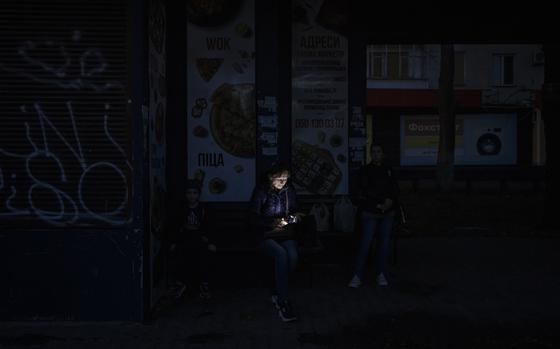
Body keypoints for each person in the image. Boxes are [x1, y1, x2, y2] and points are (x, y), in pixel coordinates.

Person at [250, 163, 301, 322]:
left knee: (292, 256)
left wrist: (291, 219)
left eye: (285, 179)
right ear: (271, 178)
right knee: (281, 254)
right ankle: (283, 300)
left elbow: (295, 212)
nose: (282, 182)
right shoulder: (261, 192)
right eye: (279, 179)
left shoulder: (289, 191)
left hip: (284, 233)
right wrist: (270, 223)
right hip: (265, 234)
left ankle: (276, 288)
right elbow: (253, 217)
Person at [348, 143, 399, 288]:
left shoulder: (388, 170)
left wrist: (389, 201)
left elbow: (394, 188)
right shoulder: (365, 170)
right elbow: (363, 190)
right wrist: (379, 203)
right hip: (371, 211)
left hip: (386, 212)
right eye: (374, 151)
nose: (376, 154)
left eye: (378, 151)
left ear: (383, 154)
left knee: (383, 245)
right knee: (365, 243)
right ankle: (358, 274)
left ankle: (380, 273)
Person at [169, 179, 216, 299]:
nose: (191, 196)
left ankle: (204, 284)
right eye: (189, 193)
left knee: (204, 254)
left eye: (194, 193)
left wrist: (210, 241)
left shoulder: (204, 209)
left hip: (199, 238)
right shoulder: (181, 209)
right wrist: (174, 241)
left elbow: (209, 226)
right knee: (178, 253)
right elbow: (176, 226)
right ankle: (180, 283)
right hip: (185, 238)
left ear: (198, 195)